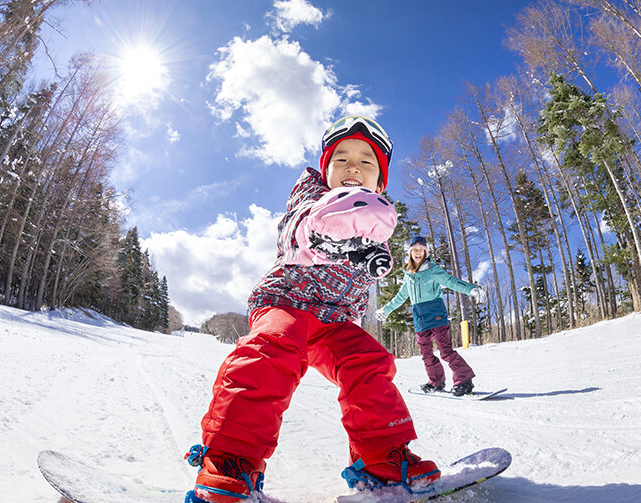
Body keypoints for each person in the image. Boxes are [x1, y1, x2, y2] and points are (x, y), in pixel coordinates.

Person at [185, 117, 441, 503]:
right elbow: (293, 229)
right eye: (341, 158)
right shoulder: (310, 199)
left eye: (366, 162)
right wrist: (320, 234)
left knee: (369, 361)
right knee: (271, 350)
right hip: (285, 303)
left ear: (380, 183)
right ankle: (230, 462)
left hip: (333, 322)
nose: (352, 166)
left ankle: (383, 460)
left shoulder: (378, 232)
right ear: (326, 169)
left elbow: (374, 272)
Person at [376, 236, 479, 396]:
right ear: (410, 253)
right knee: (426, 354)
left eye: (421, 250)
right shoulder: (408, 275)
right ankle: (436, 381)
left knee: (445, 351)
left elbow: (451, 281)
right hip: (419, 318)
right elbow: (401, 297)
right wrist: (386, 309)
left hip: (436, 313)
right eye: (414, 250)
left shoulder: (433, 270)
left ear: (425, 252)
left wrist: (471, 289)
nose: (418, 253)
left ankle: (464, 380)